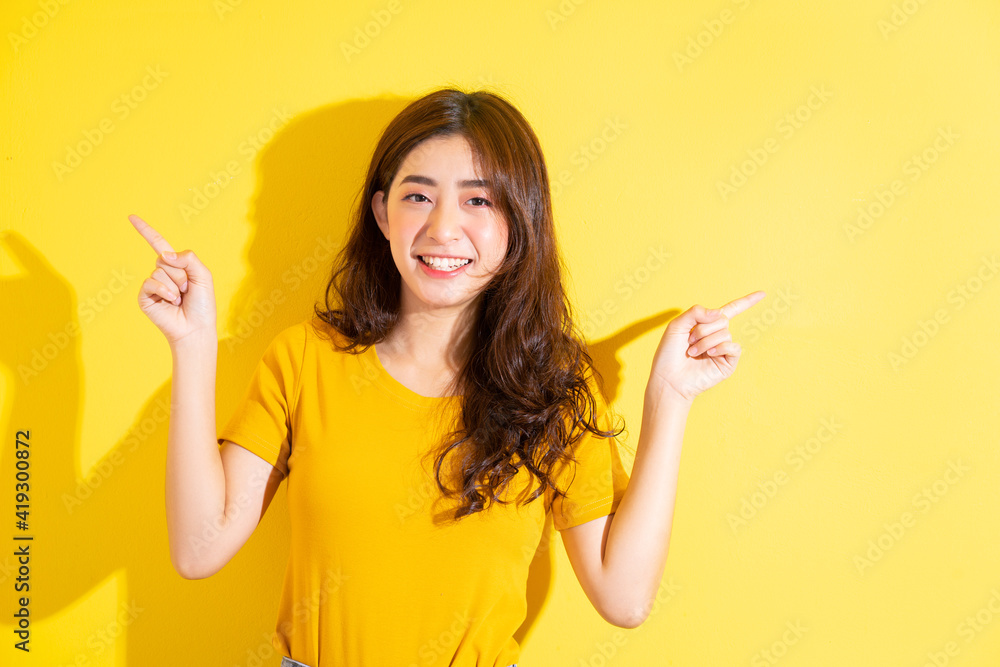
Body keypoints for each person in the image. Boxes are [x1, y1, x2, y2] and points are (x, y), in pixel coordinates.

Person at [131, 87, 765, 667]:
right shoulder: (304, 359)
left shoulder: (553, 391)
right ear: (382, 214)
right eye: (417, 195)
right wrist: (192, 347)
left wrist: (671, 399)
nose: (441, 227)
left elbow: (623, 600)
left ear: (520, 222)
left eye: (478, 199)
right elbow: (198, 548)